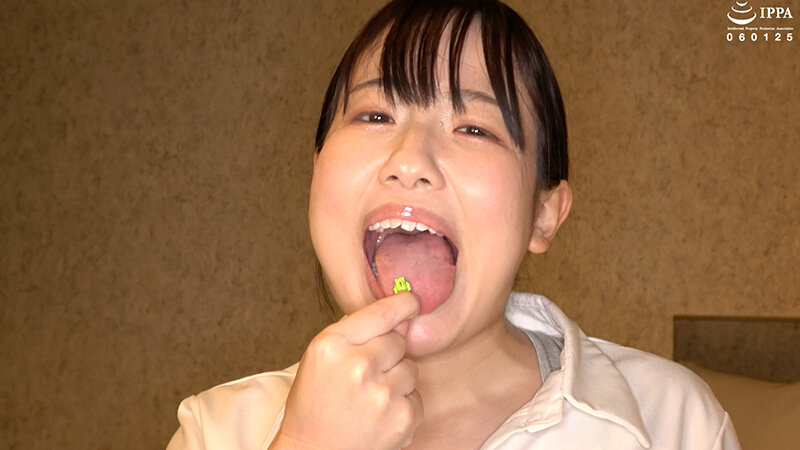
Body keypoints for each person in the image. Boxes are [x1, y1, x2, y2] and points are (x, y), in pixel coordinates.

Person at [167, 1, 740, 448]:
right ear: (316, 173)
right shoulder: (217, 430)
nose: (410, 160)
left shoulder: (671, 423)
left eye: (474, 129)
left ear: (543, 214)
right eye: (375, 115)